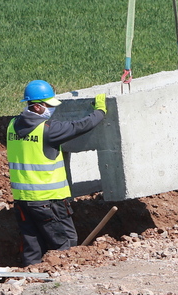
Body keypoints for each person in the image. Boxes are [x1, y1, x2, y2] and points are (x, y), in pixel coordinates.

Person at [7, 79, 107, 266]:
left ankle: (31, 278)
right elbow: (82, 125)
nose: (52, 110)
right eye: (48, 105)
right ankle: (62, 282)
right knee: (65, 245)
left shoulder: (12, 125)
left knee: (33, 247)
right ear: (37, 107)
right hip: (48, 202)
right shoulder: (47, 130)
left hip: (23, 202)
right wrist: (100, 110)